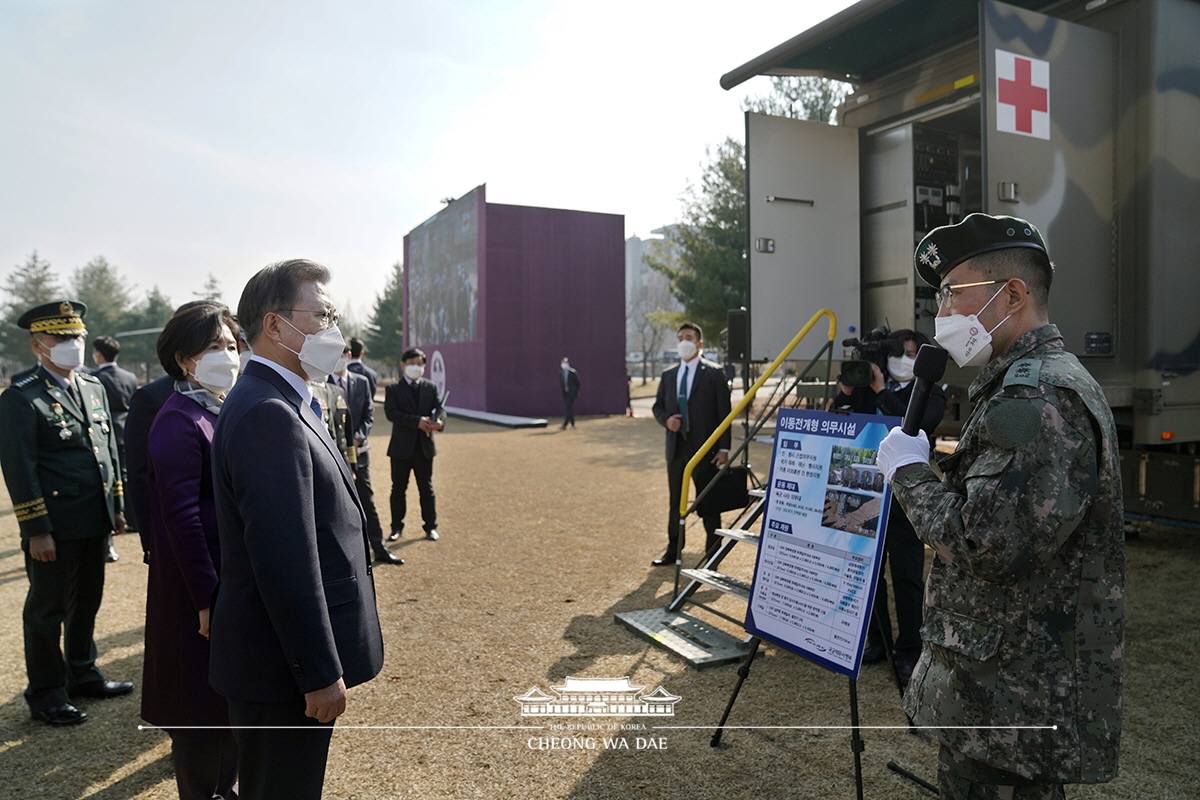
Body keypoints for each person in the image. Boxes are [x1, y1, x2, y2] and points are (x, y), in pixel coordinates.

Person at [877, 214, 1124, 799]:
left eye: (952, 295)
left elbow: (985, 544)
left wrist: (908, 472)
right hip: (998, 686)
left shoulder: (1038, 397)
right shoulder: (1019, 383)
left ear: (1011, 295)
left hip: (1013, 696)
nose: (942, 316)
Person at [210, 260, 384, 800]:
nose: (332, 328)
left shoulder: (287, 398)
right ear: (276, 326)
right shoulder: (268, 411)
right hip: (281, 671)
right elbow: (285, 557)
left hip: (278, 662)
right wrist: (316, 671)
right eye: (322, 314)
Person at [0, 301, 132, 726]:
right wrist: (36, 529)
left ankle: (82, 672)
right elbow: (20, 469)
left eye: (76, 337)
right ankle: (46, 692)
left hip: (94, 518)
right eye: (61, 339)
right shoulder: (22, 397)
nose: (72, 345)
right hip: (55, 526)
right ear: (39, 345)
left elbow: (107, 450)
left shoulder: (93, 387)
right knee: (47, 609)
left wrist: (116, 506)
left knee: (87, 602)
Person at [142, 304, 240, 800]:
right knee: (200, 710)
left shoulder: (219, 408)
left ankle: (227, 788)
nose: (227, 355)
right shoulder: (178, 420)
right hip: (197, 588)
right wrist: (206, 598)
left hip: (229, 578)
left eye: (229, 344)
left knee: (228, 705)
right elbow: (179, 517)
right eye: (212, 348)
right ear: (184, 359)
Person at [831, 329, 945, 687]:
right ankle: (877, 640)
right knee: (870, 574)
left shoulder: (928, 390)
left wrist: (881, 392)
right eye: (901, 353)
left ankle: (909, 648)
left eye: (912, 354)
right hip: (865, 496)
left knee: (908, 576)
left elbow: (915, 426)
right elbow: (839, 420)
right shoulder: (866, 387)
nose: (904, 360)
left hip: (908, 499)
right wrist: (847, 391)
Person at [125, 300, 224, 562]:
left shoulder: (227, 394)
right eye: (211, 344)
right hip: (179, 541)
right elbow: (140, 474)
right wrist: (151, 540)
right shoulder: (153, 398)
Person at [651, 322, 731, 566]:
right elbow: (658, 407)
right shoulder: (668, 375)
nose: (684, 341)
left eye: (689, 337)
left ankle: (713, 553)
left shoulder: (714, 373)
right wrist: (667, 421)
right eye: (681, 338)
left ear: (699, 343)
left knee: (708, 502)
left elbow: (724, 414)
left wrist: (724, 449)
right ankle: (674, 549)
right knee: (676, 501)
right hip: (676, 449)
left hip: (705, 450)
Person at [328, 346, 401, 564]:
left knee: (367, 501)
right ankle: (347, 557)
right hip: (333, 454)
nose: (338, 359)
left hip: (359, 454)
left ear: (349, 357)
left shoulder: (361, 382)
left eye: (342, 355)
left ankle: (379, 548)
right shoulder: (321, 384)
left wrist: (357, 438)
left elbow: (368, 414)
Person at [385, 347, 444, 542]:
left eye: (419, 364)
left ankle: (430, 527)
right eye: (411, 364)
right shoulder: (393, 389)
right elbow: (391, 413)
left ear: (424, 367)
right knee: (398, 489)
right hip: (401, 448)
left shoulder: (430, 387)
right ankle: (396, 528)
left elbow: (439, 408)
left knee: (426, 489)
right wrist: (417, 421)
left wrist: (439, 422)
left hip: (424, 448)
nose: (415, 368)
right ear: (403, 366)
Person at [91, 335, 140, 561]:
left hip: (104, 432)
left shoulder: (92, 378)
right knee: (127, 475)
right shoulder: (129, 376)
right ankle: (133, 518)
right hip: (128, 429)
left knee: (112, 478)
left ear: (98, 354)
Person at [559, 357, 580, 429]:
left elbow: (578, 383)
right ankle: (573, 425)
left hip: (572, 393)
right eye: (562, 363)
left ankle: (565, 424)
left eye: (565, 363)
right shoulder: (561, 373)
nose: (563, 365)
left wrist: (575, 391)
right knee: (569, 408)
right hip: (565, 393)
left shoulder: (572, 372)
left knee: (568, 407)